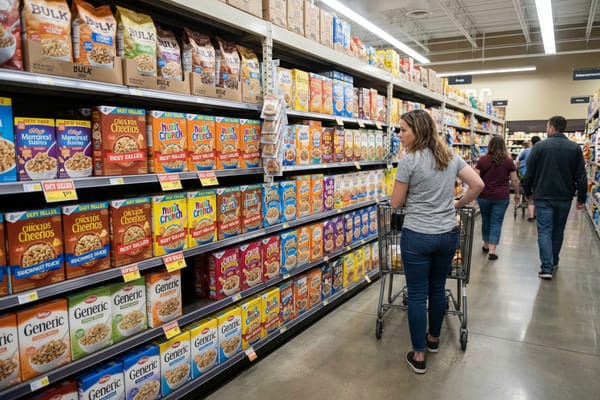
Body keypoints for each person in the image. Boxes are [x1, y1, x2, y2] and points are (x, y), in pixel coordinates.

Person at [390, 110, 483, 374]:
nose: (399, 135)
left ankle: (419, 355)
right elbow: (477, 184)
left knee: (417, 294)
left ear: (418, 131)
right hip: (447, 235)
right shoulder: (450, 155)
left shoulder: (409, 161)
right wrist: (458, 203)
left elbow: (396, 203)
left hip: (418, 235)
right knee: (438, 287)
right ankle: (433, 340)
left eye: (403, 130)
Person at [522, 116, 587, 280]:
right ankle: (554, 261)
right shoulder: (574, 148)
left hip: (543, 196)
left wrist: (527, 191)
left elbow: (529, 173)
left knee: (544, 231)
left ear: (551, 128)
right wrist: (581, 198)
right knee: (558, 231)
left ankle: (546, 267)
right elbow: (581, 176)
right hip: (564, 197)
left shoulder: (540, 147)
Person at [475, 135, 520, 260]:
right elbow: (515, 180)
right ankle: (492, 250)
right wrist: (517, 194)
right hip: (501, 197)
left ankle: (485, 244)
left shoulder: (482, 160)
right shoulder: (508, 161)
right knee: (496, 222)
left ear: (490, 146)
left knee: (486, 220)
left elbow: (475, 178)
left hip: (484, 196)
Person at [516, 136, 541, 221]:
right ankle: (536, 214)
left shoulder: (526, 151)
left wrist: (518, 170)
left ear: (531, 142)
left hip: (526, 176)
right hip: (539, 177)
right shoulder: (542, 151)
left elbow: (518, 161)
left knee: (529, 196)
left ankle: (531, 216)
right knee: (537, 195)